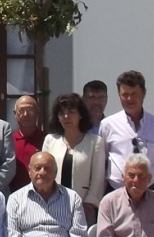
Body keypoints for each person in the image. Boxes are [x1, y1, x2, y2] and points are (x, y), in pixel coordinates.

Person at [99, 70, 154, 191]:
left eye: (134, 94)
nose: (129, 99)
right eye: (125, 94)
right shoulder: (107, 125)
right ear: (119, 95)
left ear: (144, 93)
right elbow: (103, 162)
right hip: (116, 191)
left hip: (150, 192)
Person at [42, 93, 106, 225]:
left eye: (71, 112)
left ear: (81, 115)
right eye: (62, 113)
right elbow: (44, 172)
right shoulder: (50, 140)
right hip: (53, 206)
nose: (66, 117)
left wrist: (88, 204)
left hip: (83, 209)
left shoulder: (95, 142)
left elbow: (98, 178)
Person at [10, 95, 44, 192]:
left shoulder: (47, 140)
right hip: (13, 197)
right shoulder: (8, 140)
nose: (25, 114)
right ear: (15, 114)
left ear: (37, 112)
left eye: (30, 110)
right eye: (21, 110)